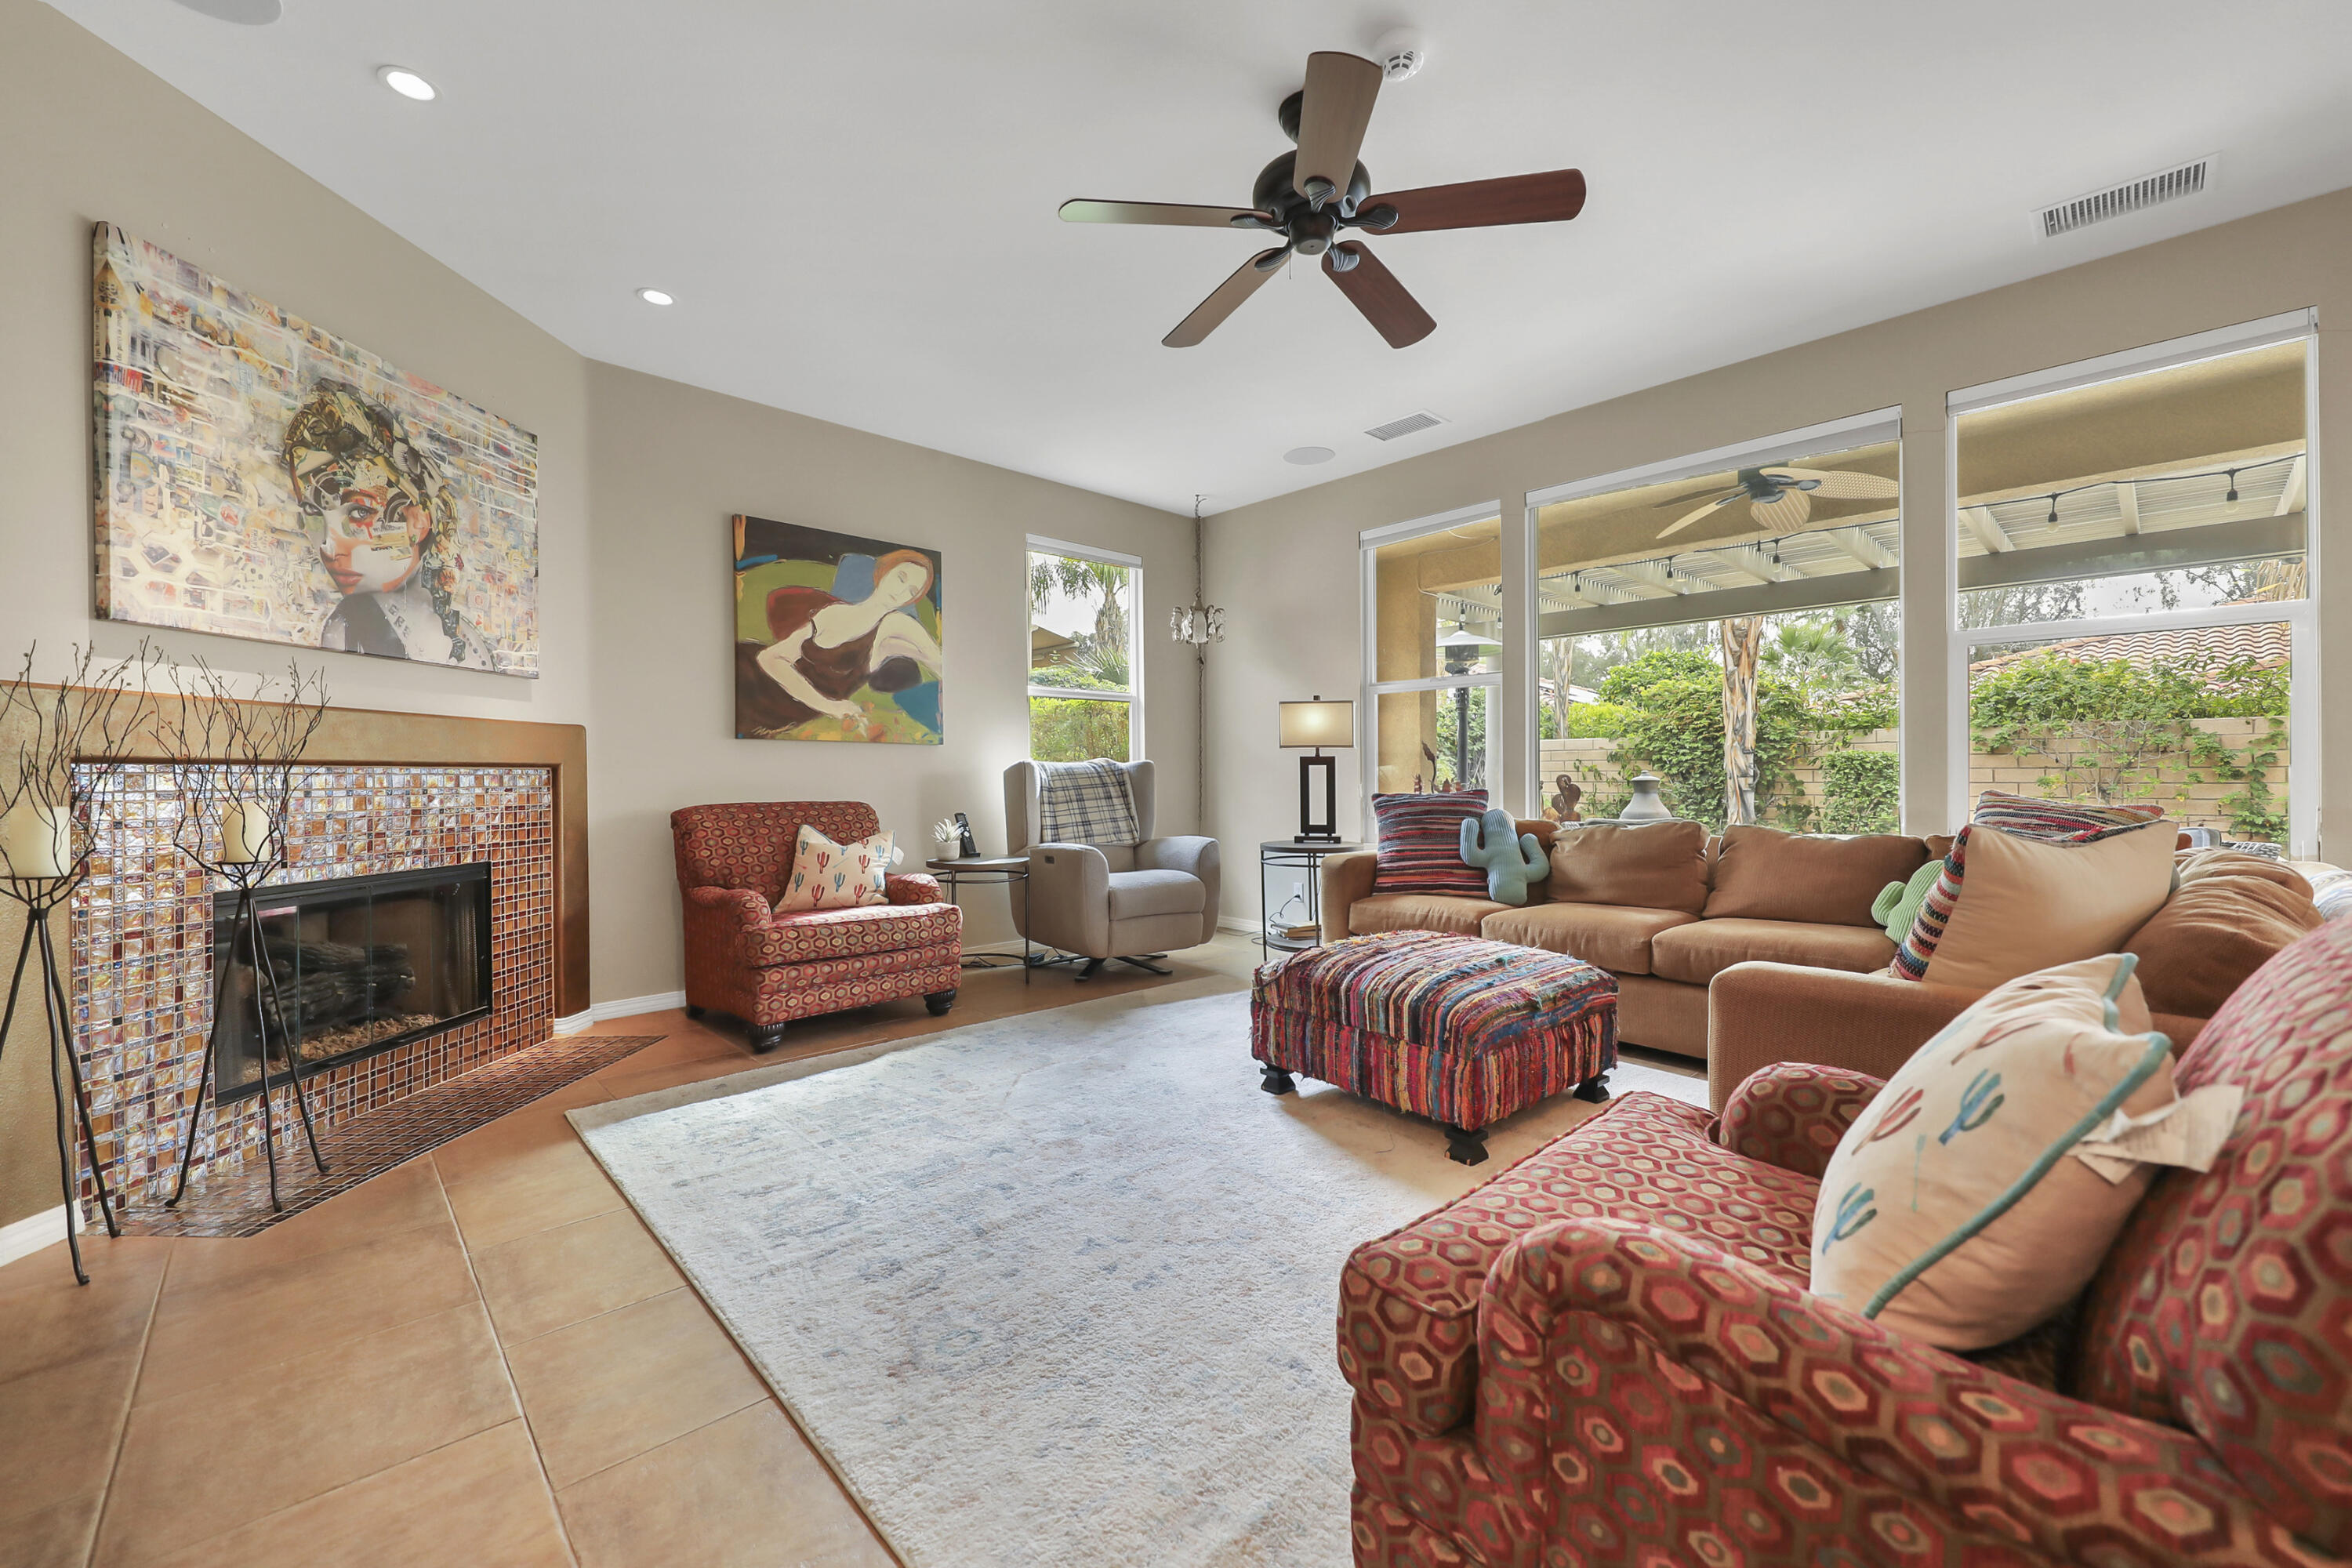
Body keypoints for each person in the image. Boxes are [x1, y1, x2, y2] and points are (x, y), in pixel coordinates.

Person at [281, 380, 479, 667]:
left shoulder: (352, 626)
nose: (328, 546)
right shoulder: (346, 633)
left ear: (419, 520)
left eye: (359, 513)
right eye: (312, 511)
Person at [735, 550, 942, 735]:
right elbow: (770, 658)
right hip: (750, 680)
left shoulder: (896, 624)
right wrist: (830, 707)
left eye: (912, 591)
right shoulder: (833, 613)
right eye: (901, 578)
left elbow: (938, 661)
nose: (901, 592)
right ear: (883, 572)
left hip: (778, 712)